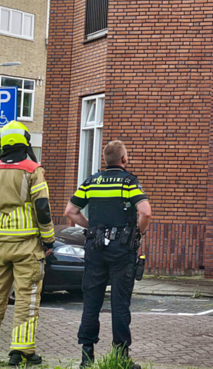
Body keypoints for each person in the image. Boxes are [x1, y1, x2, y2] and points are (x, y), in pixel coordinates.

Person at [65, 140, 152, 368]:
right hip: (121, 251)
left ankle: (86, 358)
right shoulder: (128, 182)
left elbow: (70, 211)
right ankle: (121, 358)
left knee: (91, 302)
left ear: (106, 160)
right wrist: (138, 233)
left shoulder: (91, 181)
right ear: (123, 159)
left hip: (95, 249)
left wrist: (90, 227)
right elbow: (145, 212)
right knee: (120, 304)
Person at [0, 121, 55, 366]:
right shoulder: (33, 169)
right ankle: (21, 351)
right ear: (25, 142)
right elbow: (42, 207)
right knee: (27, 297)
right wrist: (48, 237)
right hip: (27, 244)